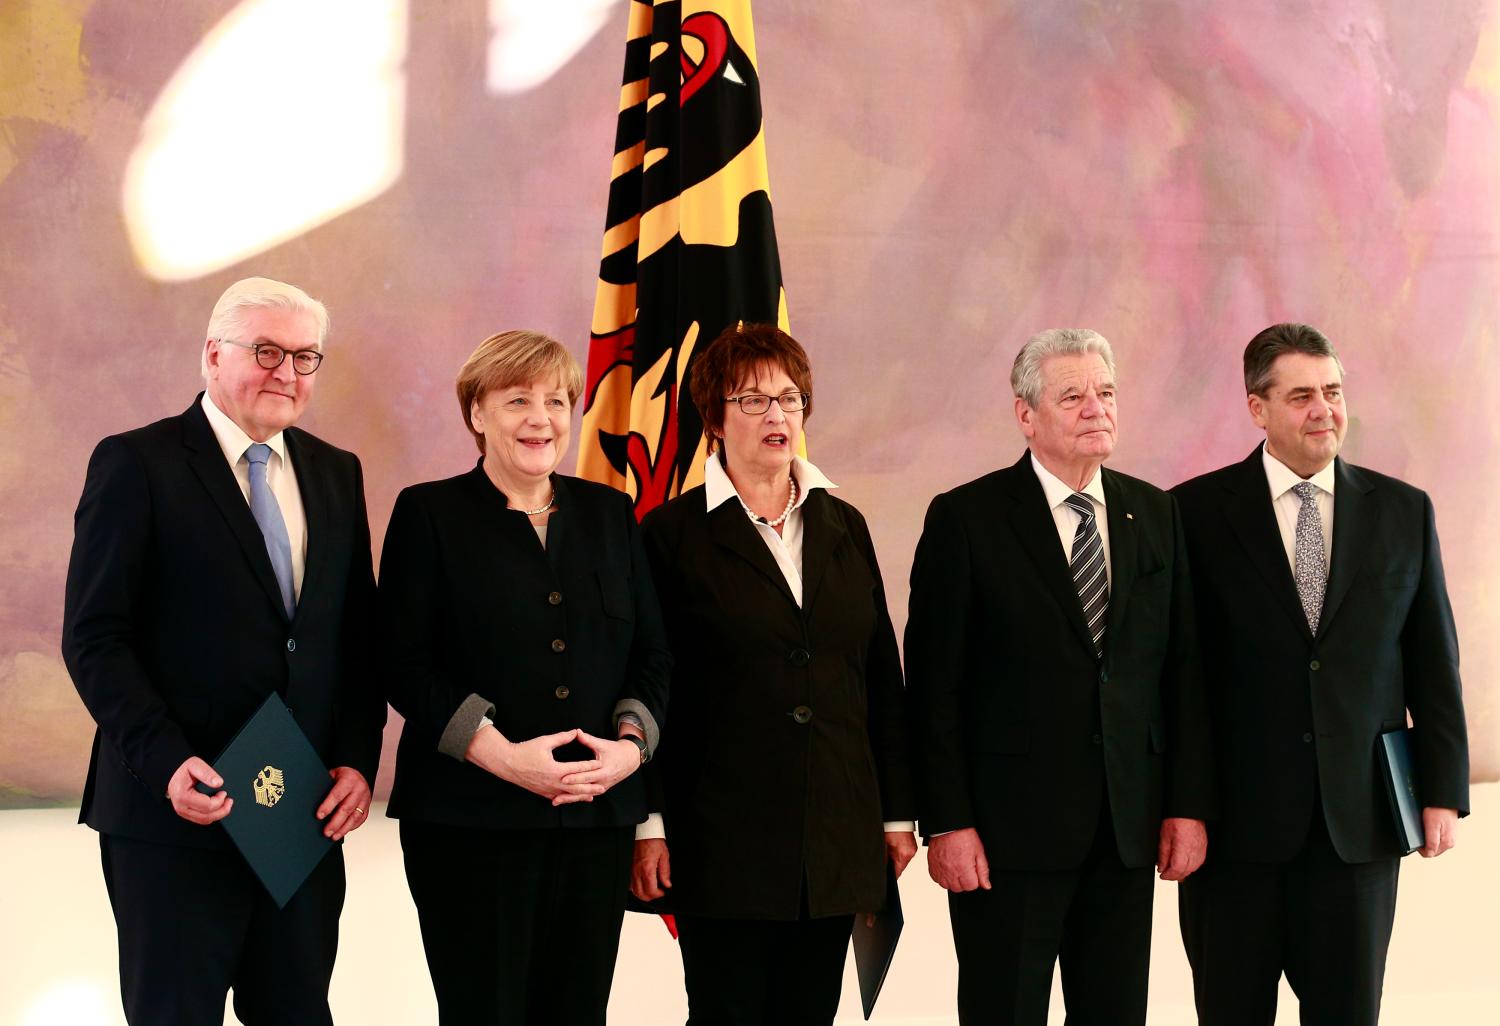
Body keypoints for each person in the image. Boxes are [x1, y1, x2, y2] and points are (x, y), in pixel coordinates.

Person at [60, 277, 385, 1026]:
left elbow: (356, 640)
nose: (287, 373)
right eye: (266, 351)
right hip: (175, 817)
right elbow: (96, 639)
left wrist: (359, 759)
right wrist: (167, 761)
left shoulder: (337, 472)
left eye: (306, 357)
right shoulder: (135, 464)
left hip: (298, 815)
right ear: (212, 354)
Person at [904, 328, 1214, 1026]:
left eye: (1105, 392)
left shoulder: (1155, 512)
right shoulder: (967, 519)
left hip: (1127, 831)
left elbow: (1182, 674)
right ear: (1026, 415)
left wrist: (1186, 804)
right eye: (1072, 396)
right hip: (1006, 839)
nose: (1095, 408)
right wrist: (948, 822)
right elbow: (933, 688)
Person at [1171, 323, 1469, 1026]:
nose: (1324, 410)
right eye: (1301, 395)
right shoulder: (1190, 513)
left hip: (1359, 827)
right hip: (1234, 833)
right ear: (1257, 408)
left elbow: (1434, 663)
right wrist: (1181, 805)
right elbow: (1176, 677)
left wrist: (1442, 791)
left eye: (1333, 392)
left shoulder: (1403, 510)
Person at [378, 329, 671, 1025]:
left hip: (595, 821)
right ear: (477, 414)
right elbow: (402, 664)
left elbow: (653, 656)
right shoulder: (429, 514)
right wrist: (504, 758)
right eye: (517, 400)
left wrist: (629, 750)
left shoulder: (609, 514)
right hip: (468, 826)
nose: (541, 418)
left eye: (557, 400)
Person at [630, 322, 916, 1025]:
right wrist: (648, 822)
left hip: (834, 833)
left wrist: (896, 813)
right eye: (753, 400)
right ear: (715, 419)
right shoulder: (669, 536)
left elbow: (879, 674)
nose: (777, 415)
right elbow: (647, 684)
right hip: (717, 837)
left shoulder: (844, 524)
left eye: (790, 399)